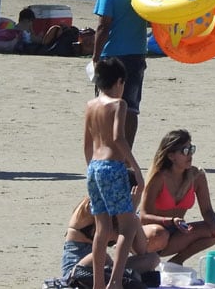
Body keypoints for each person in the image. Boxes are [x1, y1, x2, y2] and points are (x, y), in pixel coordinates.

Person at [83, 57, 143, 289]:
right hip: (112, 166)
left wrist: (91, 169)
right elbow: (118, 137)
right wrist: (135, 169)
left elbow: (87, 144)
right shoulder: (119, 105)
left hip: (94, 167)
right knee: (127, 227)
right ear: (119, 82)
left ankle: (99, 283)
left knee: (102, 228)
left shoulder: (91, 105)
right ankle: (115, 282)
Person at [140, 129, 215, 264]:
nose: (190, 155)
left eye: (191, 149)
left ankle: (176, 263)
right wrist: (170, 220)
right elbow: (143, 217)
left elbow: (207, 211)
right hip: (150, 234)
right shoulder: (158, 178)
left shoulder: (197, 176)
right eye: (185, 151)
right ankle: (142, 260)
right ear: (171, 156)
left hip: (176, 232)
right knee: (160, 234)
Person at [92, 0, 148, 147]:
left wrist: (95, 56)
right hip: (136, 55)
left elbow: (103, 26)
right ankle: (126, 151)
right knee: (131, 107)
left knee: (107, 103)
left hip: (113, 55)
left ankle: (107, 147)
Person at [61, 173, 159, 283]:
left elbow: (141, 251)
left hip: (105, 267)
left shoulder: (123, 211)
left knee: (152, 259)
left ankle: (121, 278)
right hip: (78, 266)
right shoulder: (93, 205)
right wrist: (131, 211)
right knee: (103, 258)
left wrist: (133, 215)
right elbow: (107, 234)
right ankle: (126, 278)